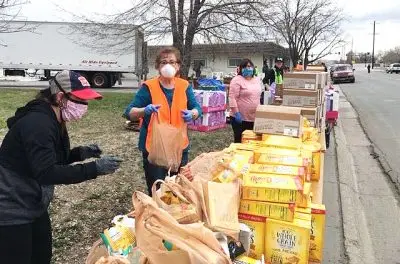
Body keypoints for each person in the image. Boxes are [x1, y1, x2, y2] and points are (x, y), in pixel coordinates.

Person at [0, 70, 122, 264]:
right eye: (80, 100)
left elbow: (47, 159)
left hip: (33, 203)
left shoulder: (53, 118)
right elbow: (47, 172)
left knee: (41, 256)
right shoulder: (38, 124)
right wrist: (95, 168)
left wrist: (80, 153)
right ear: (60, 97)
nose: (84, 106)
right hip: (11, 209)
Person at [124, 47, 202, 195]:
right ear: (158, 67)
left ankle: (175, 216)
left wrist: (192, 113)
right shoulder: (149, 87)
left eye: (172, 62)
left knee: (178, 187)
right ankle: (158, 214)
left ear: (178, 65)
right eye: (163, 62)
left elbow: (197, 108)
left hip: (179, 146)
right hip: (154, 148)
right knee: (158, 190)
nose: (168, 65)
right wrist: (144, 110)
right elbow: (129, 112)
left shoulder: (184, 86)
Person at [229, 58, 262, 143]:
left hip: (254, 118)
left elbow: (258, 95)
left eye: (249, 66)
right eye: (245, 67)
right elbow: (232, 97)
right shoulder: (237, 80)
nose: (247, 68)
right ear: (241, 69)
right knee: (240, 141)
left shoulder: (257, 79)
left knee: (252, 141)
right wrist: (236, 113)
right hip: (240, 118)